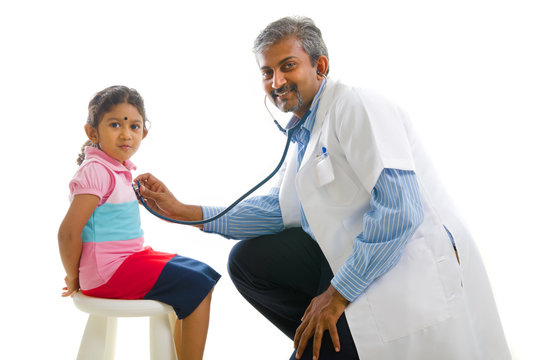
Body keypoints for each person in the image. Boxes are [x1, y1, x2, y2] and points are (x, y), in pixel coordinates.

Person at [135, 16, 511, 360]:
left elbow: (401, 210)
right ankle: (333, 346)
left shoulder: (356, 106)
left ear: (320, 66)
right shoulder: (307, 132)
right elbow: (281, 211)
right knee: (248, 261)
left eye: (287, 66)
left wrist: (337, 295)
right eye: (267, 72)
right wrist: (188, 212)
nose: (276, 82)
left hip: (403, 271)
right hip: (348, 266)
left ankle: (332, 342)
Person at [58, 85, 221, 360]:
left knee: (203, 273)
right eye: (114, 124)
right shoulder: (96, 171)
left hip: (127, 260)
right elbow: (68, 233)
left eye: (134, 126)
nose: (126, 134)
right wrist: (74, 278)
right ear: (92, 132)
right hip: (109, 271)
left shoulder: (117, 169)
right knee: (197, 286)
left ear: (143, 133)